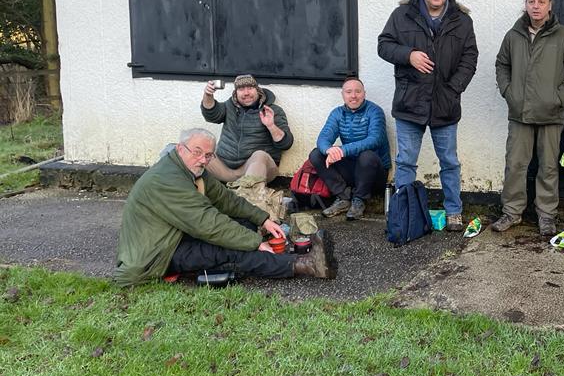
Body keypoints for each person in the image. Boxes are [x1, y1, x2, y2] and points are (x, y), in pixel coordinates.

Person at [114, 129, 331, 287]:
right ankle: (306, 264)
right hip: (156, 255)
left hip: (175, 236)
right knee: (233, 246)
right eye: (197, 152)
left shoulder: (190, 170)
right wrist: (254, 242)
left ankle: (268, 257)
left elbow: (227, 200)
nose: (202, 160)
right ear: (180, 149)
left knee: (244, 224)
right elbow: (210, 225)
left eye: (208, 155)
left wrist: (263, 220)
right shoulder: (166, 181)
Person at [377, 0, 478, 232]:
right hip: (410, 103)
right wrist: (408, 55)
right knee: (406, 161)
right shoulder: (402, 15)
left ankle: (454, 211)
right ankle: (403, 214)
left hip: (445, 104)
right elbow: (383, 45)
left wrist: (454, 89)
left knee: (449, 162)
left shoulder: (462, 20)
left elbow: (470, 58)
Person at [493, 0, 564, 236]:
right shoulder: (514, 35)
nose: (536, 6)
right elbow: (502, 64)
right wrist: (509, 92)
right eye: (531, 1)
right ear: (525, 4)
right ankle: (512, 213)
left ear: (550, 5)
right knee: (515, 164)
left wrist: (559, 97)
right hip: (520, 112)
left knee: (547, 167)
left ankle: (546, 216)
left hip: (551, 114)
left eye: (541, 1)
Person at [310, 76, 391, 220]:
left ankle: (359, 200)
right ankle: (343, 197)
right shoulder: (337, 113)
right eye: (349, 92)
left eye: (358, 92)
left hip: (374, 173)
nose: (353, 96)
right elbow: (323, 138)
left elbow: (375, 139)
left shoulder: (375, 111)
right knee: (316, 154)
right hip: (351, 170)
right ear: (343, 95)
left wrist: (342, 150)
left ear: (364, 94)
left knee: (366, 155)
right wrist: (329, 150)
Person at [200, 74, 293, 182]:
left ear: (257, 90)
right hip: (225, 169)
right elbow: (211, 115)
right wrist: (208, 95)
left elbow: (286, 144)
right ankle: (191, 191)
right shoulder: (229, 106)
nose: (246, 93)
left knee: (260, 156)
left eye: (250, 88)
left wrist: (271, 126)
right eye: (241, 89)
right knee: (199, 151)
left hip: (257, 171)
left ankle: (249, 194)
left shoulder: (272, 110)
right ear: (236, 93)